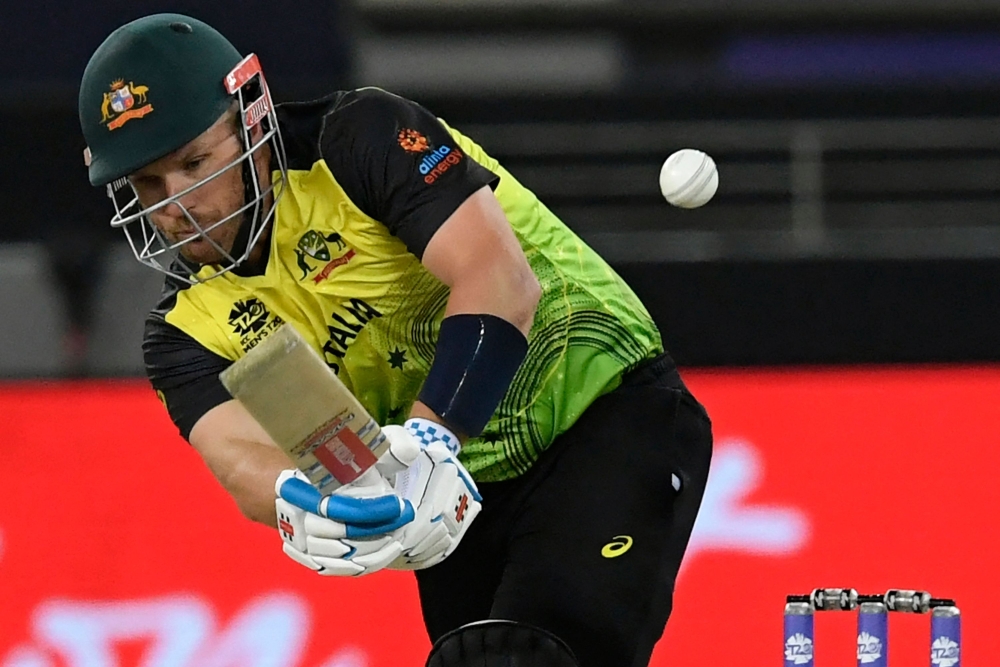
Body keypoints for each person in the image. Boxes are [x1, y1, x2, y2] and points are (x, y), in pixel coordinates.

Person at [78, 14, 713, 667]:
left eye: (193, 163)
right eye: (148, 184)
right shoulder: (183, 329)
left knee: (529, 655)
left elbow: (498, 279)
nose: (174, 203)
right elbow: (239, 455)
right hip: (457, 500)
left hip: (600, 403)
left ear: (250, 119)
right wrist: (303, 499)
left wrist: (432, 439)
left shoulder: (360, 136)